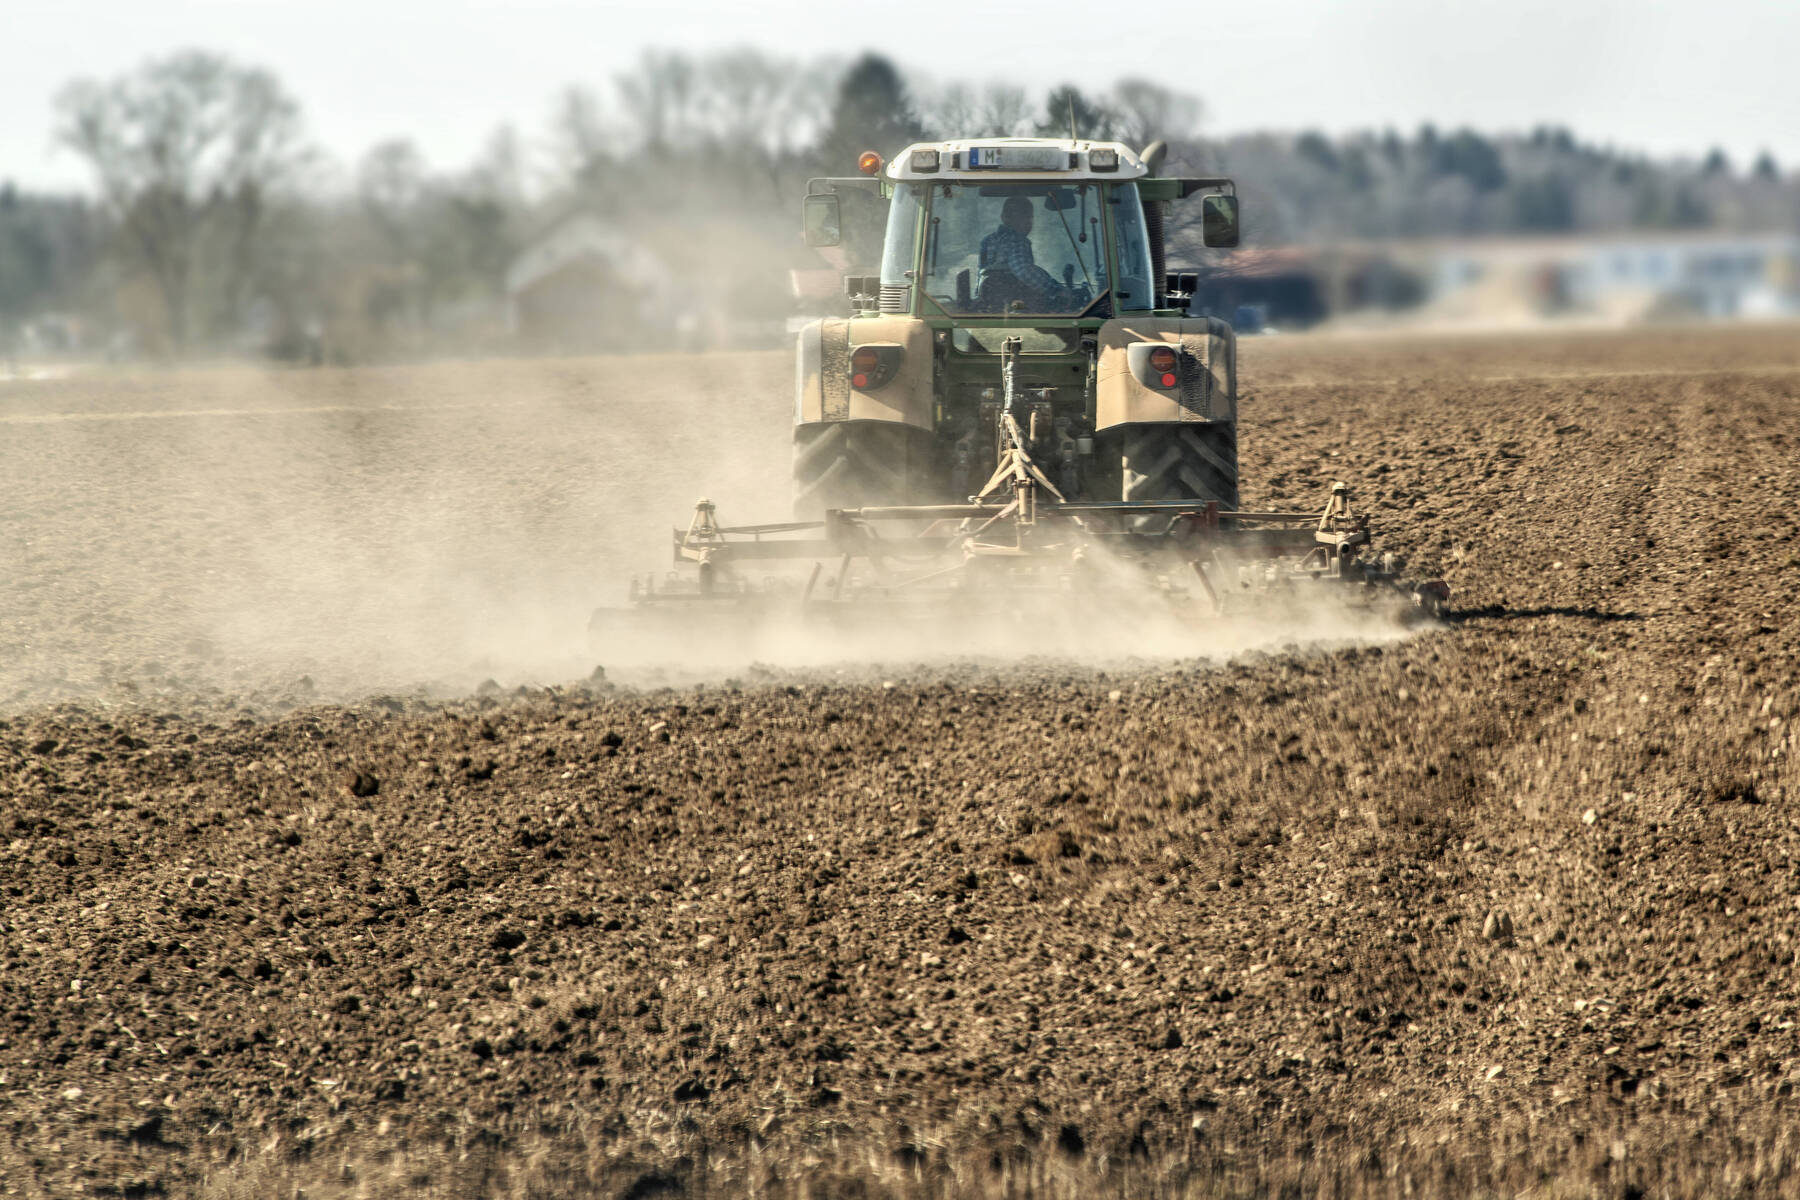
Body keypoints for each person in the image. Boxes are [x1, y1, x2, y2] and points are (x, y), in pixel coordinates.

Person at [979, 194, 1061, 311]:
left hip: (994, 305)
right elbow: (1023, 270)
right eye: (1023, 217)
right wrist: (1056, 290)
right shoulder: (1016, 240)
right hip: (1017, 304)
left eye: (1029, 217)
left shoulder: (988, 241)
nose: (1028, 222)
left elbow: (982, 274)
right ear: (1005, 218)